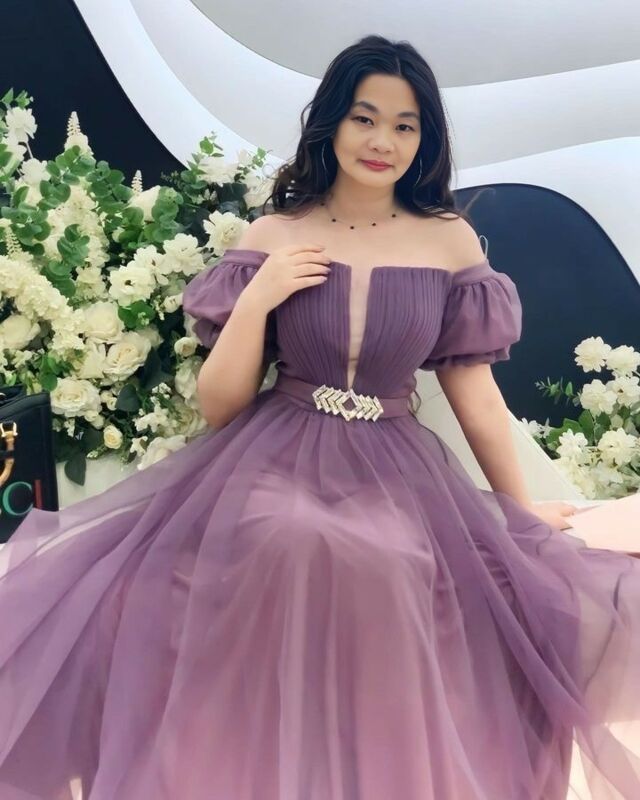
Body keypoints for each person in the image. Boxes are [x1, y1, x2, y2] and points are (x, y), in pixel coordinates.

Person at [1, 33, 639, 800]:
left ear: (425, 140)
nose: (382, 141)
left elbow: (476, 396)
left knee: (390, 558)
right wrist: (261, 295)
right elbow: (220, 404)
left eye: (404, 125)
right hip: (275, 447)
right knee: (286, 531)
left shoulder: (449, 241)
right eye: (365, 118)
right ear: (332, 123)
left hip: (396, 466)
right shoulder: (276, 234)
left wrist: (519, 511)